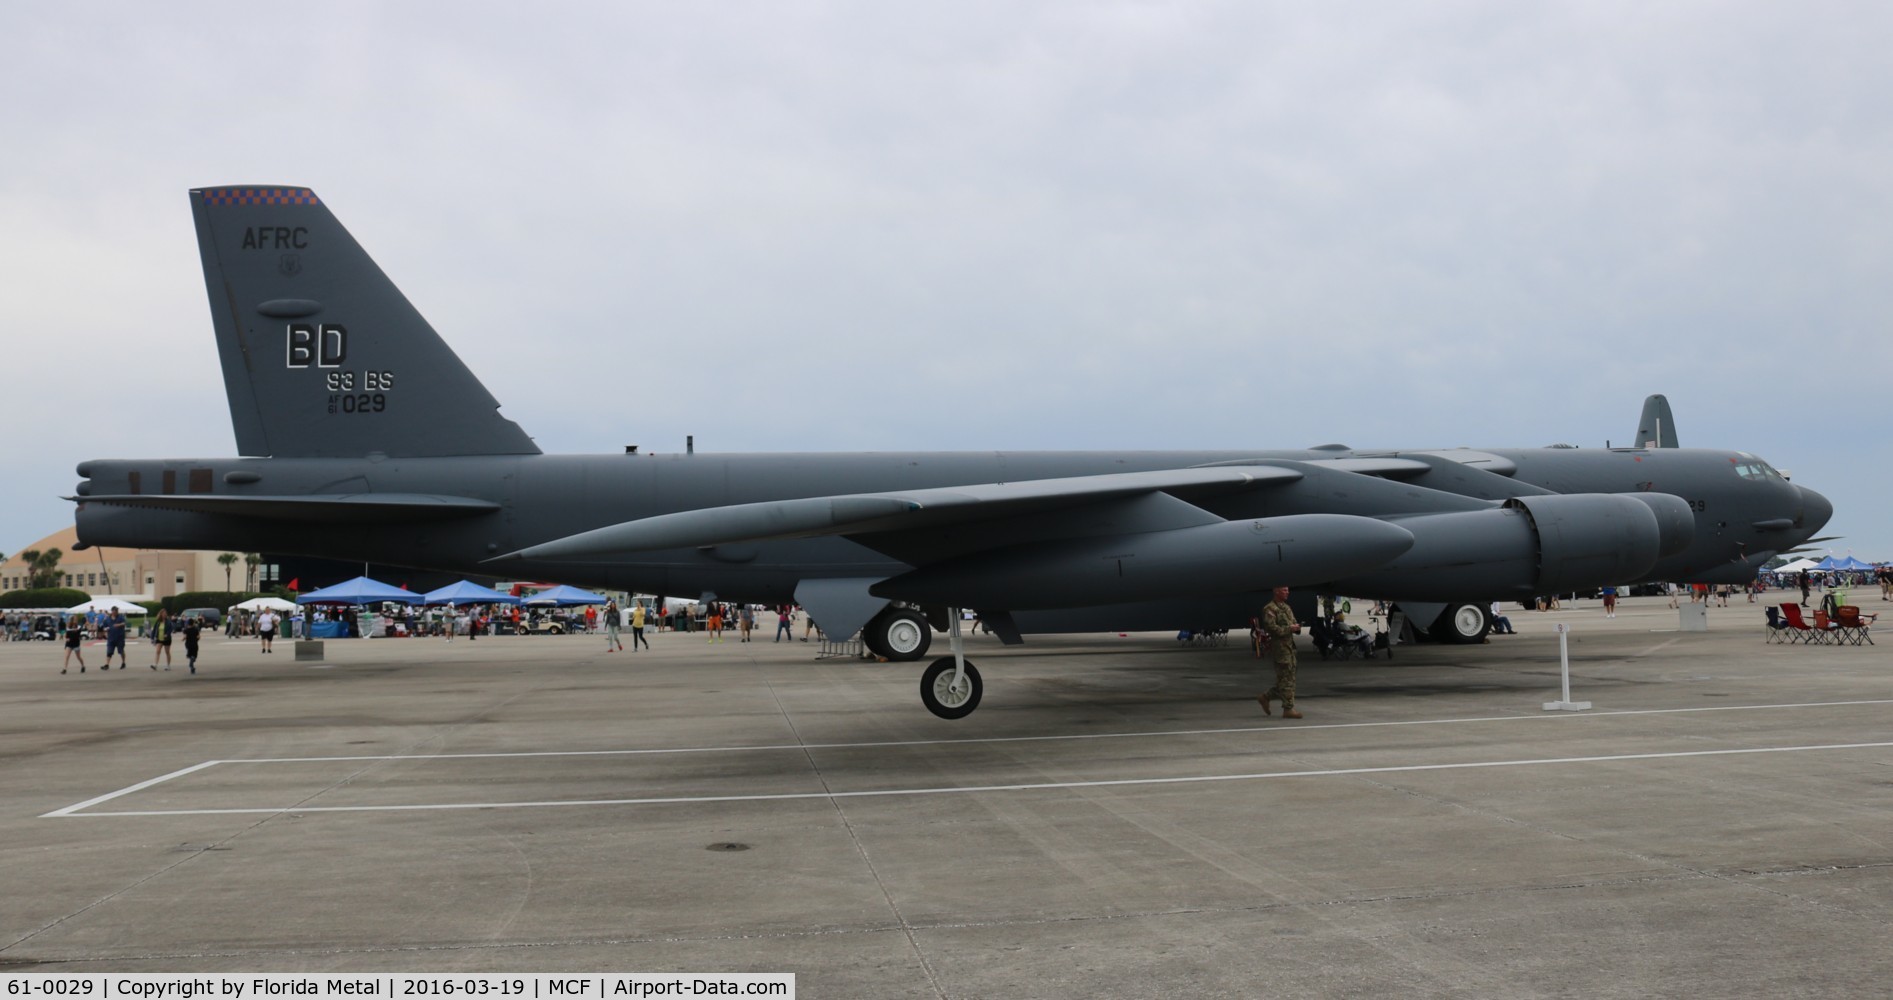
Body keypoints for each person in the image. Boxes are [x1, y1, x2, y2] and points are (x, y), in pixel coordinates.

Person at [1257, 586, 1302, 719]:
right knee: (1287, 680)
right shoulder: (1270, 609)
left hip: (1290, 648)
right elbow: (1272, 628)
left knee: (1288, 679)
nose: (1287, 592)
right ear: (1276, 592)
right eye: (1284, 590)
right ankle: (1288, 709)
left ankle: (1265, 697)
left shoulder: (1286, 608)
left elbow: (1293, 622)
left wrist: (1296, 627)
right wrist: (1289, 629)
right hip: (1281, 649)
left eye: (1288, 590)